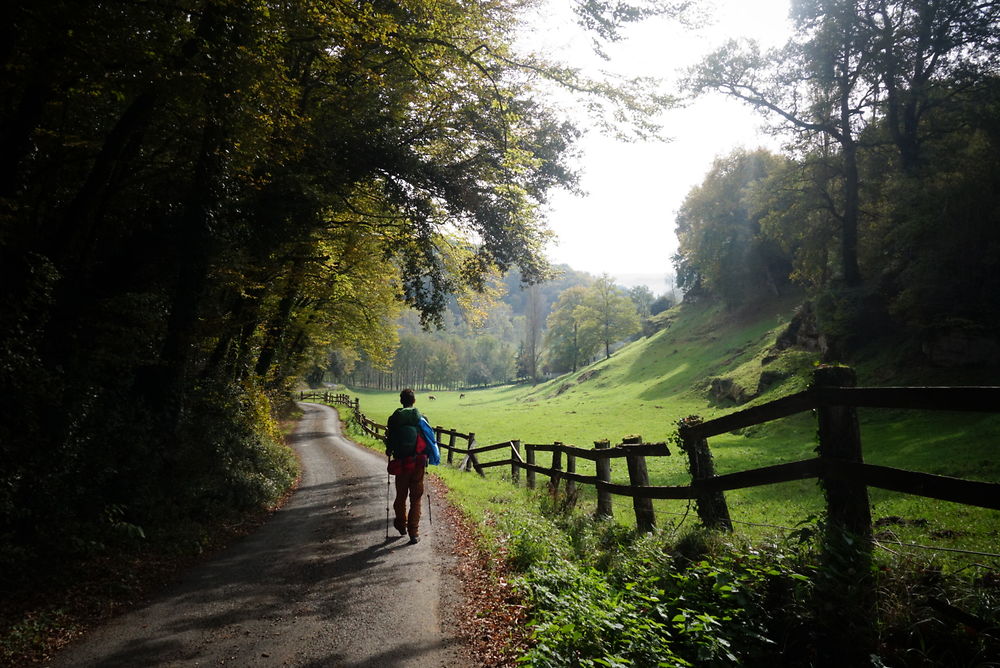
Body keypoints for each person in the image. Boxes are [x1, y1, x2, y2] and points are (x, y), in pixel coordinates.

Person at [384, 388, 440, 543]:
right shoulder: (422, 418)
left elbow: (390, 441)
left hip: (402, 464)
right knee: (416, 498)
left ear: (401, 401)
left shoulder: (394, 419)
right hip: (418, 463)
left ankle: (401, 525)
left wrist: (389, 450)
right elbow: (428, 439)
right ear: (414, 401)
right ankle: (413, 533)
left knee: (400, 496)